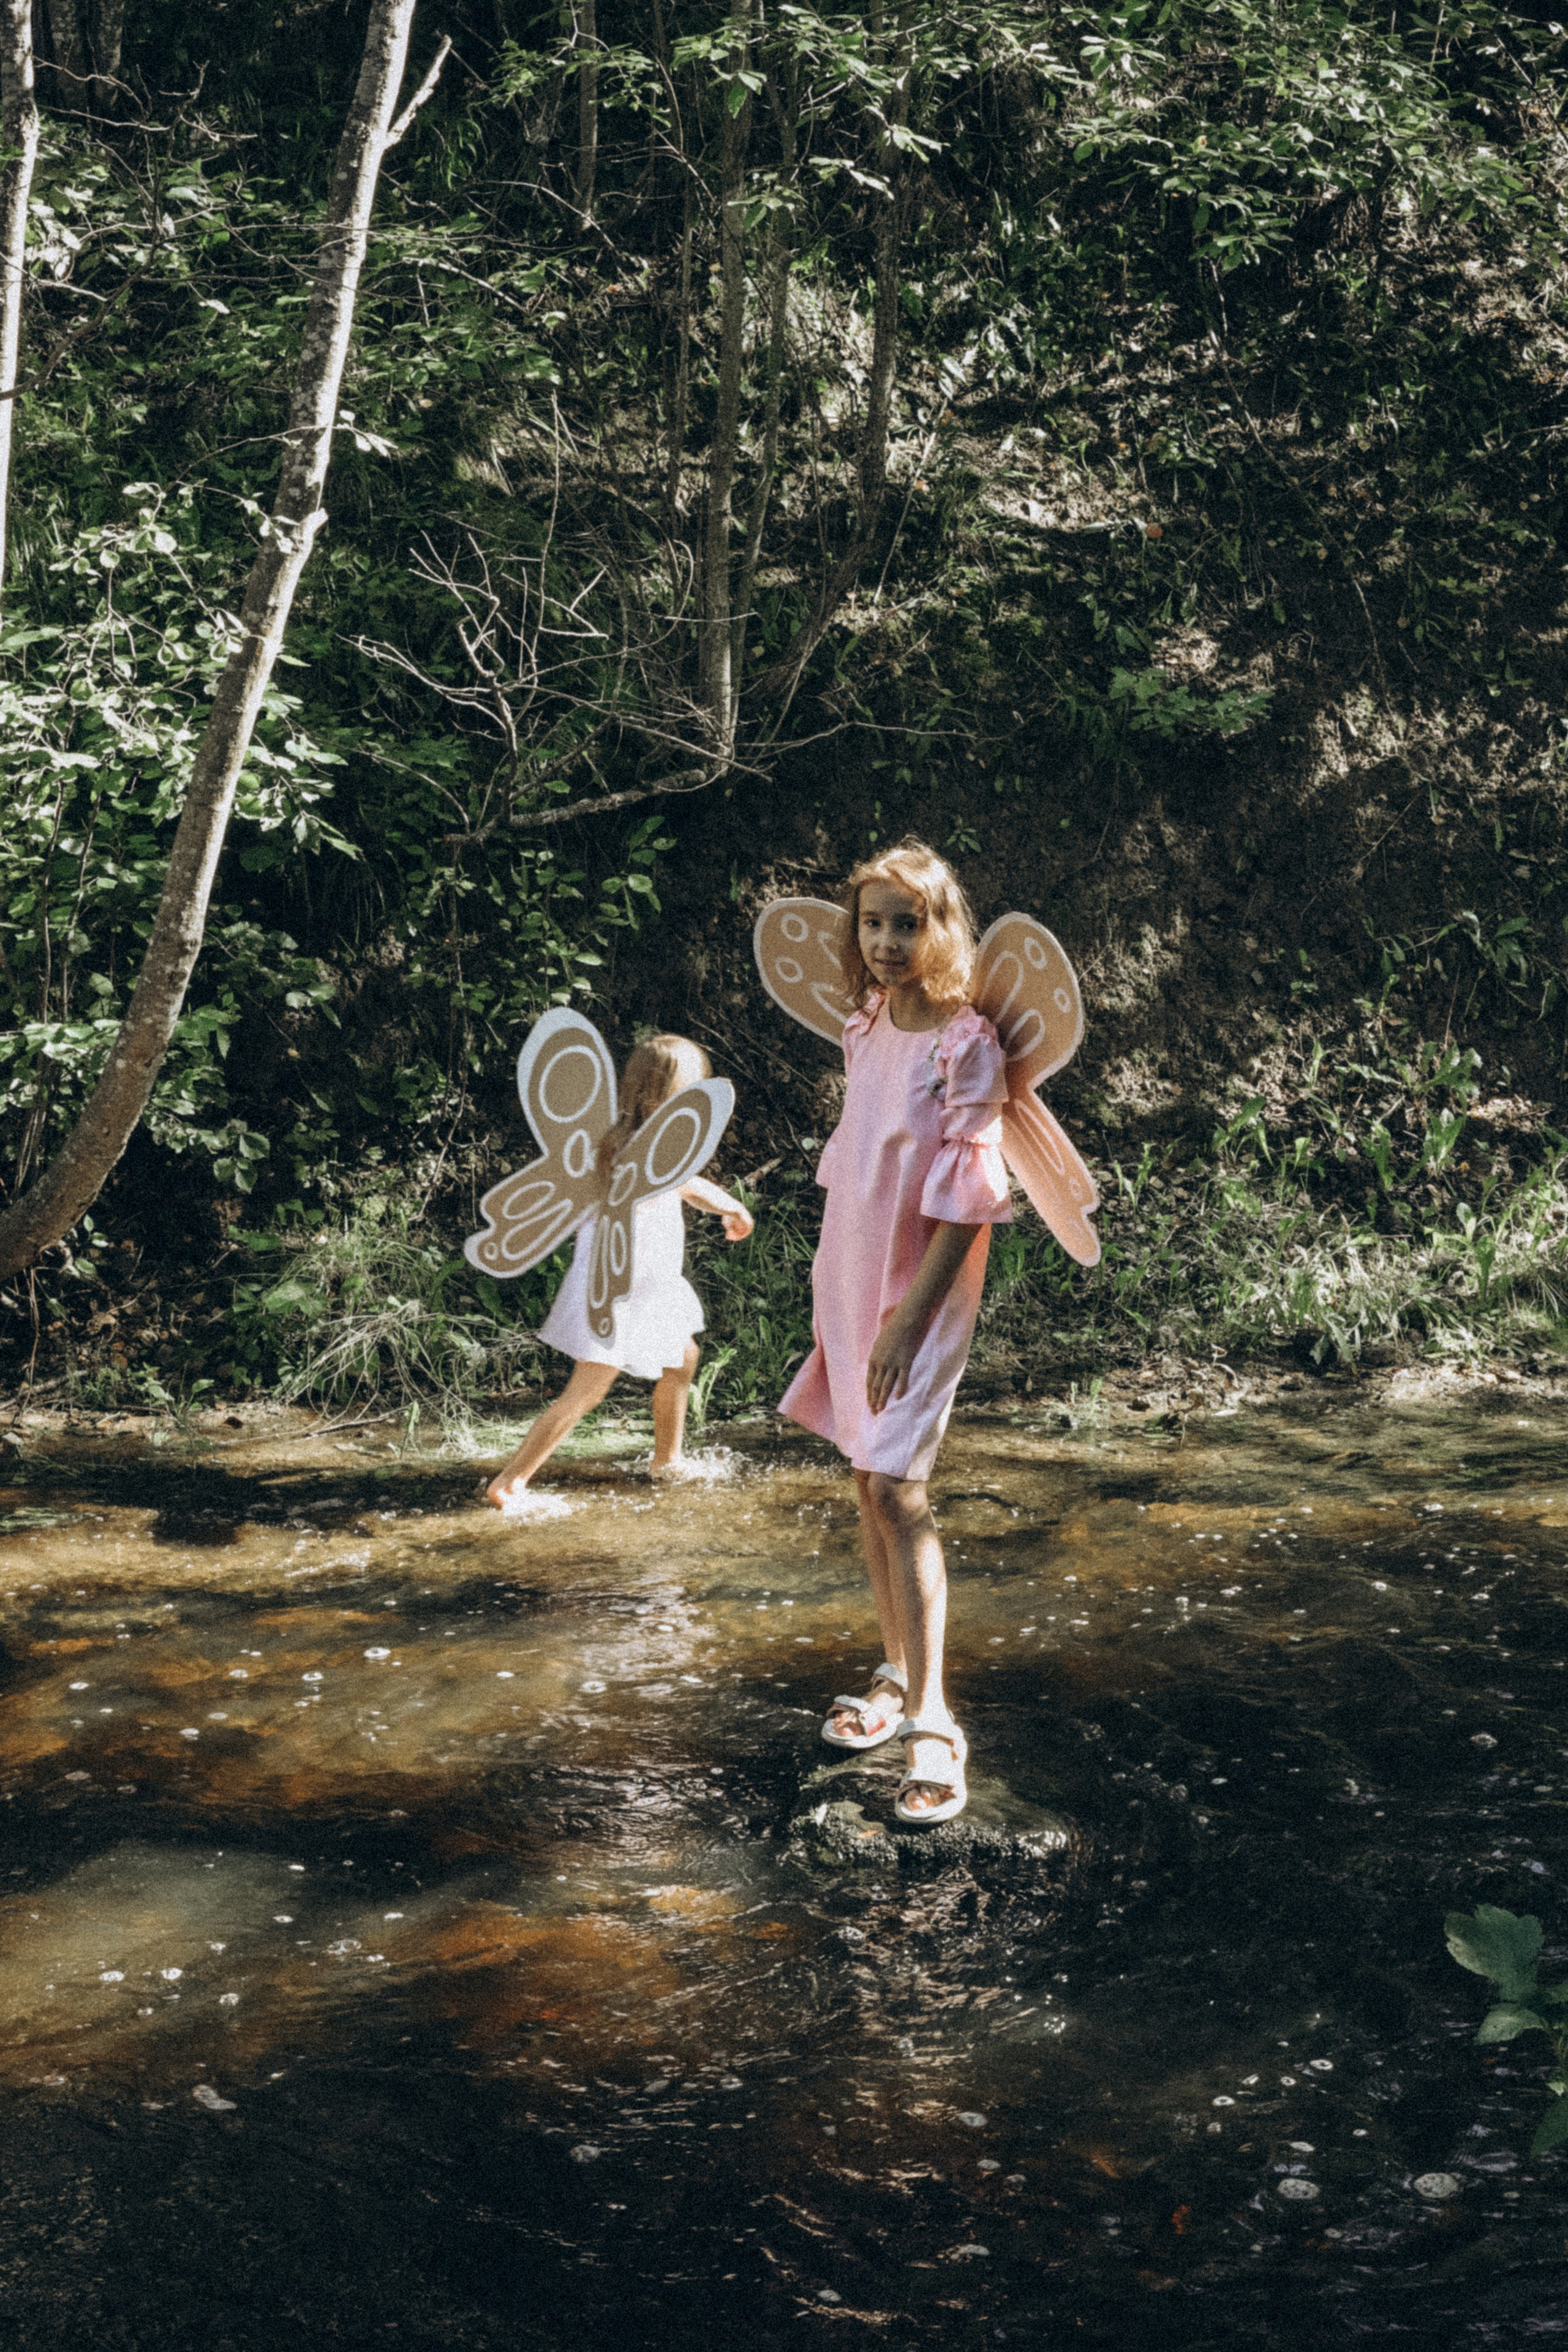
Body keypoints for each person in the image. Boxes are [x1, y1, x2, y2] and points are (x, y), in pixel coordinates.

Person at [780, 841, 1012, 1825]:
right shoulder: (865, 1024)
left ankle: (934, 1716)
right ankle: (893, 1668)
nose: (884, 941)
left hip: (921, 1291)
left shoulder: (966, 1043)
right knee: (863, 1477)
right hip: (852, 1270)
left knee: (899, 1488)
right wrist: (837, 1289)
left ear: (942, 929)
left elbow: (971, 1200)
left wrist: (907, 1323)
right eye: (871, 922)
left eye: (906, 923)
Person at [486, 1033, 753, 1505]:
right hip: (618, 1289)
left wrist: (729, 1206)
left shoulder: (644, 1147)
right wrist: (730, 1206)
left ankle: (667, 1459)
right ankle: (510, 1482)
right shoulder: (637, 1150)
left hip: (648, 1286)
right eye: (689, 1095)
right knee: (588, 1389)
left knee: (682, 1358)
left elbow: (685, 1184)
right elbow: (684, 1184)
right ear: (656, 1098)